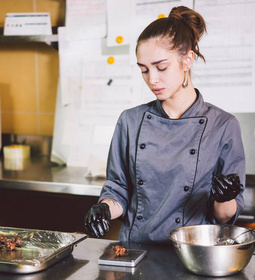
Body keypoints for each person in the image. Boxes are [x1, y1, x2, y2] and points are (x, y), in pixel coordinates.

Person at [84, 6, 245, 244]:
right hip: (135, 250)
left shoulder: (223, 126)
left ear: (187, 60)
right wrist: (105, 208)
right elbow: (118, 189)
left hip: (194, 255)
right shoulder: (130, 121)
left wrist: (225, 198)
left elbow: (225, 217)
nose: (152, 79)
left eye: (161, 67)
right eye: (144, 70)